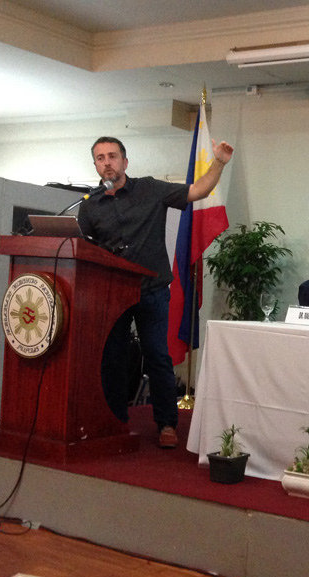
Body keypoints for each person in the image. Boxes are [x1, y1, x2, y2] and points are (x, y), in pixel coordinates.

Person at [78, 135, 234, 448]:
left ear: (125, 161)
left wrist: (218, 161)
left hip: (151, 290)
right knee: (112, 358)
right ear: (95, 165)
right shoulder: (89, 205)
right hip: (112, 295)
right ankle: (115, 419)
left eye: (112, 156)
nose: (107, 162)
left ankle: (166, 424)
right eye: (100, 158)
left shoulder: (150, 188)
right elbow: (85, 251)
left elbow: (198, 190)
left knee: (158, 357)